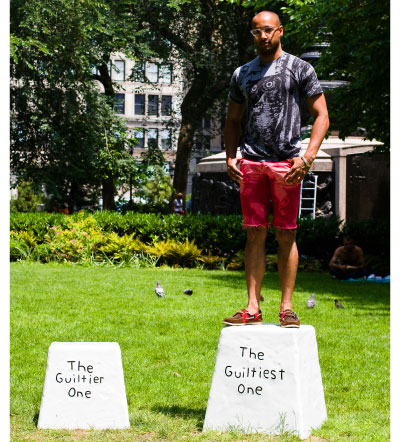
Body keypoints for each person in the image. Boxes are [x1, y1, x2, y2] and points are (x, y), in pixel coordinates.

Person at [222, 10, 329, 327]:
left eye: (268, 30)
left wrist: (307, 157)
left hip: (287, 164)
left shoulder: (299, 68)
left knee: (286, 234)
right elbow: (232, 121)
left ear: (280, 31)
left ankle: (286, 307)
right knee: (254, 233)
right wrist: (231, 156)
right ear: (252, 35)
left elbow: (321, 115)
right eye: (257, 32)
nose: (263, 36)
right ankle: (252, 307)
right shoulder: (242, 73)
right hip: (252, 164)